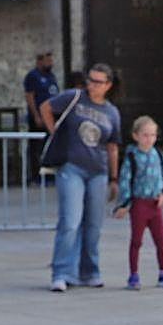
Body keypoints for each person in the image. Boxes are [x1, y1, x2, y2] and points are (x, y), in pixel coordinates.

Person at [38, 64, 121, 293]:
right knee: (71, 221)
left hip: (98, 171)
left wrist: (115, 178)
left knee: (93, 225)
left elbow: (113, 146)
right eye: (90, 80)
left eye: (98, 82)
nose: (92, 85)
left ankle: (90, 271)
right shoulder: (74, 97)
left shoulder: (112, 112)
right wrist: (54, 130)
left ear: (108, 85)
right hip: (72, 167)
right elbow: (45, 107)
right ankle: (61, 271)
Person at [113, 115, 163, 289]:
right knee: (136, 240)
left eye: (152, 135)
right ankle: (134, 274)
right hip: (139, 204)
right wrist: (124, 203)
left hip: (155, 204)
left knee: (161, 240)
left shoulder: (159, 155)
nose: (149, 139)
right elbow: (125, 180)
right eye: (145, 135)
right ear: (136, 136)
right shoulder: (132, 157)